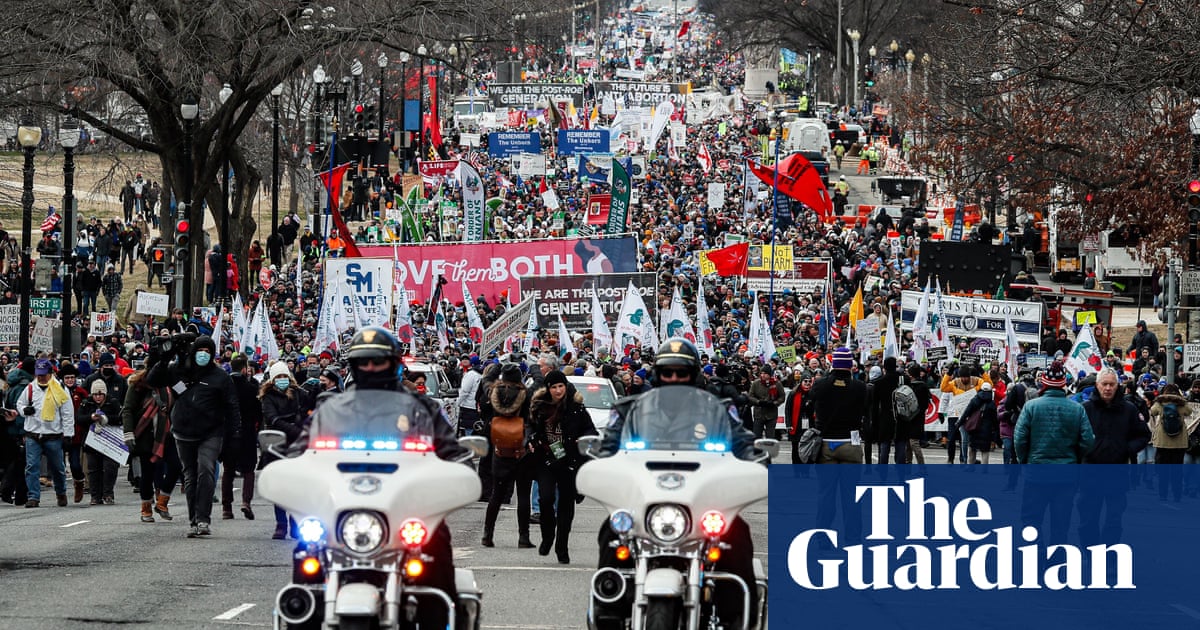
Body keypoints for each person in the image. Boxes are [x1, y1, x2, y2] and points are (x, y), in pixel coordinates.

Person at [293, 326, 471, 629]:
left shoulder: (422, 408)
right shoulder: (331, 407)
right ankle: (299, 615)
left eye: (378, 361)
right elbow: (300, 449)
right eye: (364, 362)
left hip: (406, 510)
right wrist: (288, 465)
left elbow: (452, 451)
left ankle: (443, 618)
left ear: (394, 363)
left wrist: (454, 468)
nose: (371, 368)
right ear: (353, 366)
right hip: (342, 510)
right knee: (305, 552)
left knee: (436, 547)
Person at [594, 338, 762, 629]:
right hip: (644, 501)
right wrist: (598, 462)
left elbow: (742, 440)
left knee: (738, 535)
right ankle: (608, 607)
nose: (674, 378)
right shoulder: (628, 409)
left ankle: (736, 617)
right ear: (658, 373)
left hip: (703, 501)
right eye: (667, 372)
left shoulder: (719, 409)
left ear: (693, 374)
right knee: (612, 530)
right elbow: (608, 446)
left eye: (681, 372)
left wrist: (755, 458)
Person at [146, 335, 241, 538]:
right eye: (200, 350)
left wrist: (233, 435)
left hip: (211, 432)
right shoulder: (179, 370)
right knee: (190, 476)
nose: (203, 354)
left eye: (208, 351)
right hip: (183, 431)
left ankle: (204, 519)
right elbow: (152, 380)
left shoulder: (220, 377)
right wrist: (165, 359)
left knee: (206, 470)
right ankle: (194, 520)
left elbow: (232, 406)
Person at [1013, 361, 1095, 543]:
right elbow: (1088, 440)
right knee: (1061, 522)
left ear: (1044, 383)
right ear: (1063, 384)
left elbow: (1019, 439)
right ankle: (1057, 559)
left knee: (1031, 519)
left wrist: (1024, 460)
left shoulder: (1031, 407)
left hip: (1036, 472)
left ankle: (1037, 553)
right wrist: (1076, 456)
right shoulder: (1077, 409)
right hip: (1066, 474)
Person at [527, 369, 596, 564]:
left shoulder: (576, 407)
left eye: (561, 386)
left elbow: (591, 430)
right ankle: (548, 536)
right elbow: (530, 426)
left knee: (566, 505)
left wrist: (584, 439)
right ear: (548, 389)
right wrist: (531, 439)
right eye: (554, 387)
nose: (558, 390)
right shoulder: (540, 406)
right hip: (546, 459)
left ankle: (562, 546)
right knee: (546, 498)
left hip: (569, 461)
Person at [1077, 368, 1150, 546]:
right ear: (1097, 385)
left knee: (1114, 519)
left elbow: (1143, 435)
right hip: (1090, 474)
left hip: (1117, 473)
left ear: (1118, 386)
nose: (1108, 388)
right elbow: (1072, 437)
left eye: (1112, 384)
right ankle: (1091, 551)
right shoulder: (1084, 409)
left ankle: (1110, 554)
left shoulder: (1129, 409)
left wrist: (1127, 449)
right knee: (1088, 518)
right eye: (1104, 384)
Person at [480, 363, 534, 550]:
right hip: (521, 449)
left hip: (500, 448)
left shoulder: (494, 392)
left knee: (496, 494)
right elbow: (541, 384)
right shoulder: (525, 394)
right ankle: (523, 537)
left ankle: (488, 534)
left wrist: (497, 367)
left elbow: (485, 380)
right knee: (524, 495)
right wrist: (533, 368)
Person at [260, 360, 313, 538]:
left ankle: (296, 522)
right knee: (280, 487)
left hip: (298, 445)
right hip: (277, 444)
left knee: (298, 487)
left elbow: (310, 411)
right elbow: (272, 418)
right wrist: (294, 430)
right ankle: (281, 524)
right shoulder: (267, 397)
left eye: (284, 376)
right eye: (278, 377)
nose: (282, 379)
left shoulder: (300, 394)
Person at [17, 359, 75, 508]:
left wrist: (68, 434)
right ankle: (33, 497)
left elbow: (68, 413)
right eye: (39, 374)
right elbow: (20, 404)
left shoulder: (60, 388)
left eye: (44, 374)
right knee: (31, 467)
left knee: (58, 468)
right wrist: (24, 411)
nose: (41, 377)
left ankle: (61, 492)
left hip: (53, 435)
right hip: (33, 434)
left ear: (50, 373)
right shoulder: (30, 388)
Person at [223, 355, 266, 523]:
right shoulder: (251, 388)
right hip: (247, 432)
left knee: (228, 470)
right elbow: (258, 412)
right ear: (244, 369)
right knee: (248, 470)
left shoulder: (224, 387)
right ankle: (246, 502)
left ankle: (226, 508)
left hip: (228, 432)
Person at [808, 347, 868, 464]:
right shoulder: (860, 387)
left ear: (833, 364)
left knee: (827, 482)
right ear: (850, 365)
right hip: (851, 440)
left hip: (826, 440)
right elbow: (866, 410)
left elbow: (810, 406)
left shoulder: (820, 384)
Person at [78, 380, 123, 505]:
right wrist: (90, 418)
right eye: (95, 394)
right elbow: (79, 419)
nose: (98, 397)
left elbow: (121, 418)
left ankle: (108, 493)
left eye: (100, 394)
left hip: (109, 441)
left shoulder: (112, 402)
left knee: (110, 468)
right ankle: (95, 496)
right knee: (93, 469)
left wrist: (106, 418)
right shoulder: (86, 403)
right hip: (92, 442)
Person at [1149, 383, 1192, 502]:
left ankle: (1163, 495)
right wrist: (1182, 398)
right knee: (1177, 471)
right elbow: (1189, 412)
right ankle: (1177, 496)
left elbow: (1152, 412)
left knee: (1163, 471)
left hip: (1162, 442)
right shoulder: (1182, 404)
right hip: (1179, 443)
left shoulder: (1160, 403)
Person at [959, 381, 999, 465]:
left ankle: (970, 466)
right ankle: (984, 470)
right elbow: (995, 419)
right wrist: (996, 430)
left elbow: (966, 412)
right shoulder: (992, 403)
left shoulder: (975, 400)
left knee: (972, 448)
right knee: (985, 451)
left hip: (974, 428)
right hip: (986, 430)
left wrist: (959, 423)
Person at [746, 366, 784, 439]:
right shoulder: (756, 383)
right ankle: (757, 450)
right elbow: (750, 396)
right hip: (759, 413)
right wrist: (758, 402)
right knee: (757, 436)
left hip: (771, 414)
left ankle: (770, 450)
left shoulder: (777, 383)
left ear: (769, 375)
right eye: (761, 373)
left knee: (770, 436)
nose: (762, 375)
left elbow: (782, 397)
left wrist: (775, 403)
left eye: (765, 373)